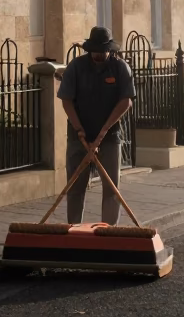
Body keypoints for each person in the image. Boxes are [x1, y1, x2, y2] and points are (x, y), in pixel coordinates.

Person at [57, 26, 136, 225]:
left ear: (109, 49)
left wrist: (103, 132)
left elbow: (126, 101)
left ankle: (107, 232)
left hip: (109, 136)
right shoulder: (76, 67)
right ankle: (74, 230)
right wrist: (79, 130)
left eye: (102, 51)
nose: (98, 55)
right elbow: (66, 100)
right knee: (75, 187)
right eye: (95, 51)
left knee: (111, 189)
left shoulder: (120, 68)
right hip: (79, 136)